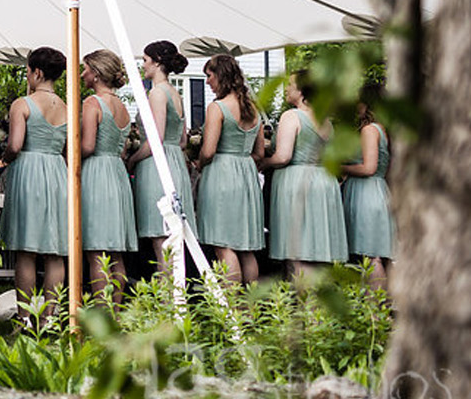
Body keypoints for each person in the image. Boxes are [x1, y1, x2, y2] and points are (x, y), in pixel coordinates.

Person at [0, 46, 69, 302]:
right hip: (57, 174)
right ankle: (50, 318)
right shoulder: (66, 107)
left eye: (28, 71)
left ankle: (25, 319)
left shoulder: (22, 104)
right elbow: (68, 150)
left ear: (37, 72)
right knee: (55, 252)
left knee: (26, 252)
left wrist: (2, 160)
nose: (27, 76)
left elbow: (15, 145)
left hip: (29, 174)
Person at [265, 71, 348, 282]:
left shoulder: (291, 116)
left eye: (290, 84)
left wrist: (263, 162)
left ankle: (305, 309)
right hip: (323, 182)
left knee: (299, 249)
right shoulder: (327, 122)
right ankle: (318, 306)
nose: (286, 88)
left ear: (302, 91)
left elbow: (283, 156)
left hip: (297, 182)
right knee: (316, 248)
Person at [195, 53, 266, 285]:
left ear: (220, 76)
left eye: (209, 76)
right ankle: (249, 310)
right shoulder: (253, 109)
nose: (207, 82)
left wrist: (198, 164)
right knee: (246, 248)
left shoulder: (218, 108)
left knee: (224, 246)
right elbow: (260, 154)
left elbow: (208, 151)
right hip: (247, 175)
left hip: (221, 175)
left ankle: (231, 310)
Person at [128, 41, 197, 269]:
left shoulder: (157, 93)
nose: (143, 66)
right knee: (173, 241)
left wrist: (133, 159)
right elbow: (182, 140)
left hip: (158, 167)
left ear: (157, 62)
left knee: (162, 240)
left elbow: (156, 139)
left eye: (146, 61)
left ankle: (168, 300)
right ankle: (176, 298)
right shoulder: (175, 93)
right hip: (176, 160)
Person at [79, 49, 136, 302]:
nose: (82, 74)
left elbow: (88, 146)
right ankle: (116, 310)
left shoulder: (92, 103)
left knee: (97, 251)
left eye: (86, 69)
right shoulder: (123, 107)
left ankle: (102, 312)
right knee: (115, 253)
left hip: (97, 175)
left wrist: (69, 153)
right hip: (117, 174)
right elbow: (123, 149)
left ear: (97, 74)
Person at [342, 84, 395, 292]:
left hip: (366, 195)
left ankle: (375, 312)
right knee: (382, 256)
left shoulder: (369, 129)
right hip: (380, 191)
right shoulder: (384, 128)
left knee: (372, 256)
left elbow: (368, 167)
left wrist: (340, 166)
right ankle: (385, 307)